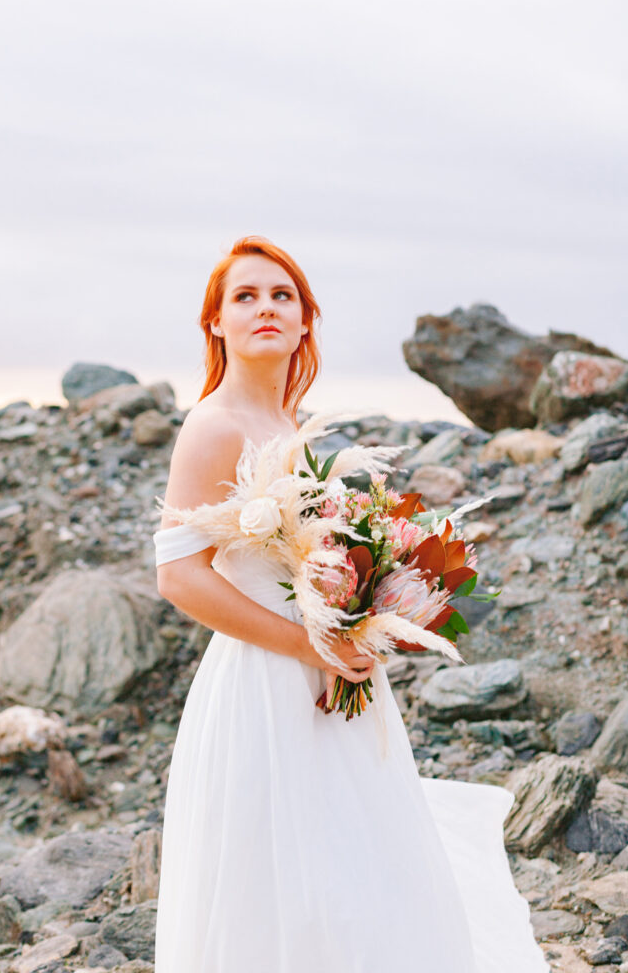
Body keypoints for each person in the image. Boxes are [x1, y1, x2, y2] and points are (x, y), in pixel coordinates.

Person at [152, 235, 549, 972]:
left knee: (351, 863)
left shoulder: (290, 426)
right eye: (245, 297)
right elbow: (177, 578)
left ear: (306, 322)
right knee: (282, 881)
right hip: (264, 682)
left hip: (333, 671)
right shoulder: (213, 425)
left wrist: (366, 608)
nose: (265, 308)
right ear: (215, 323)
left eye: (282, 297)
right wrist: (309, 644)